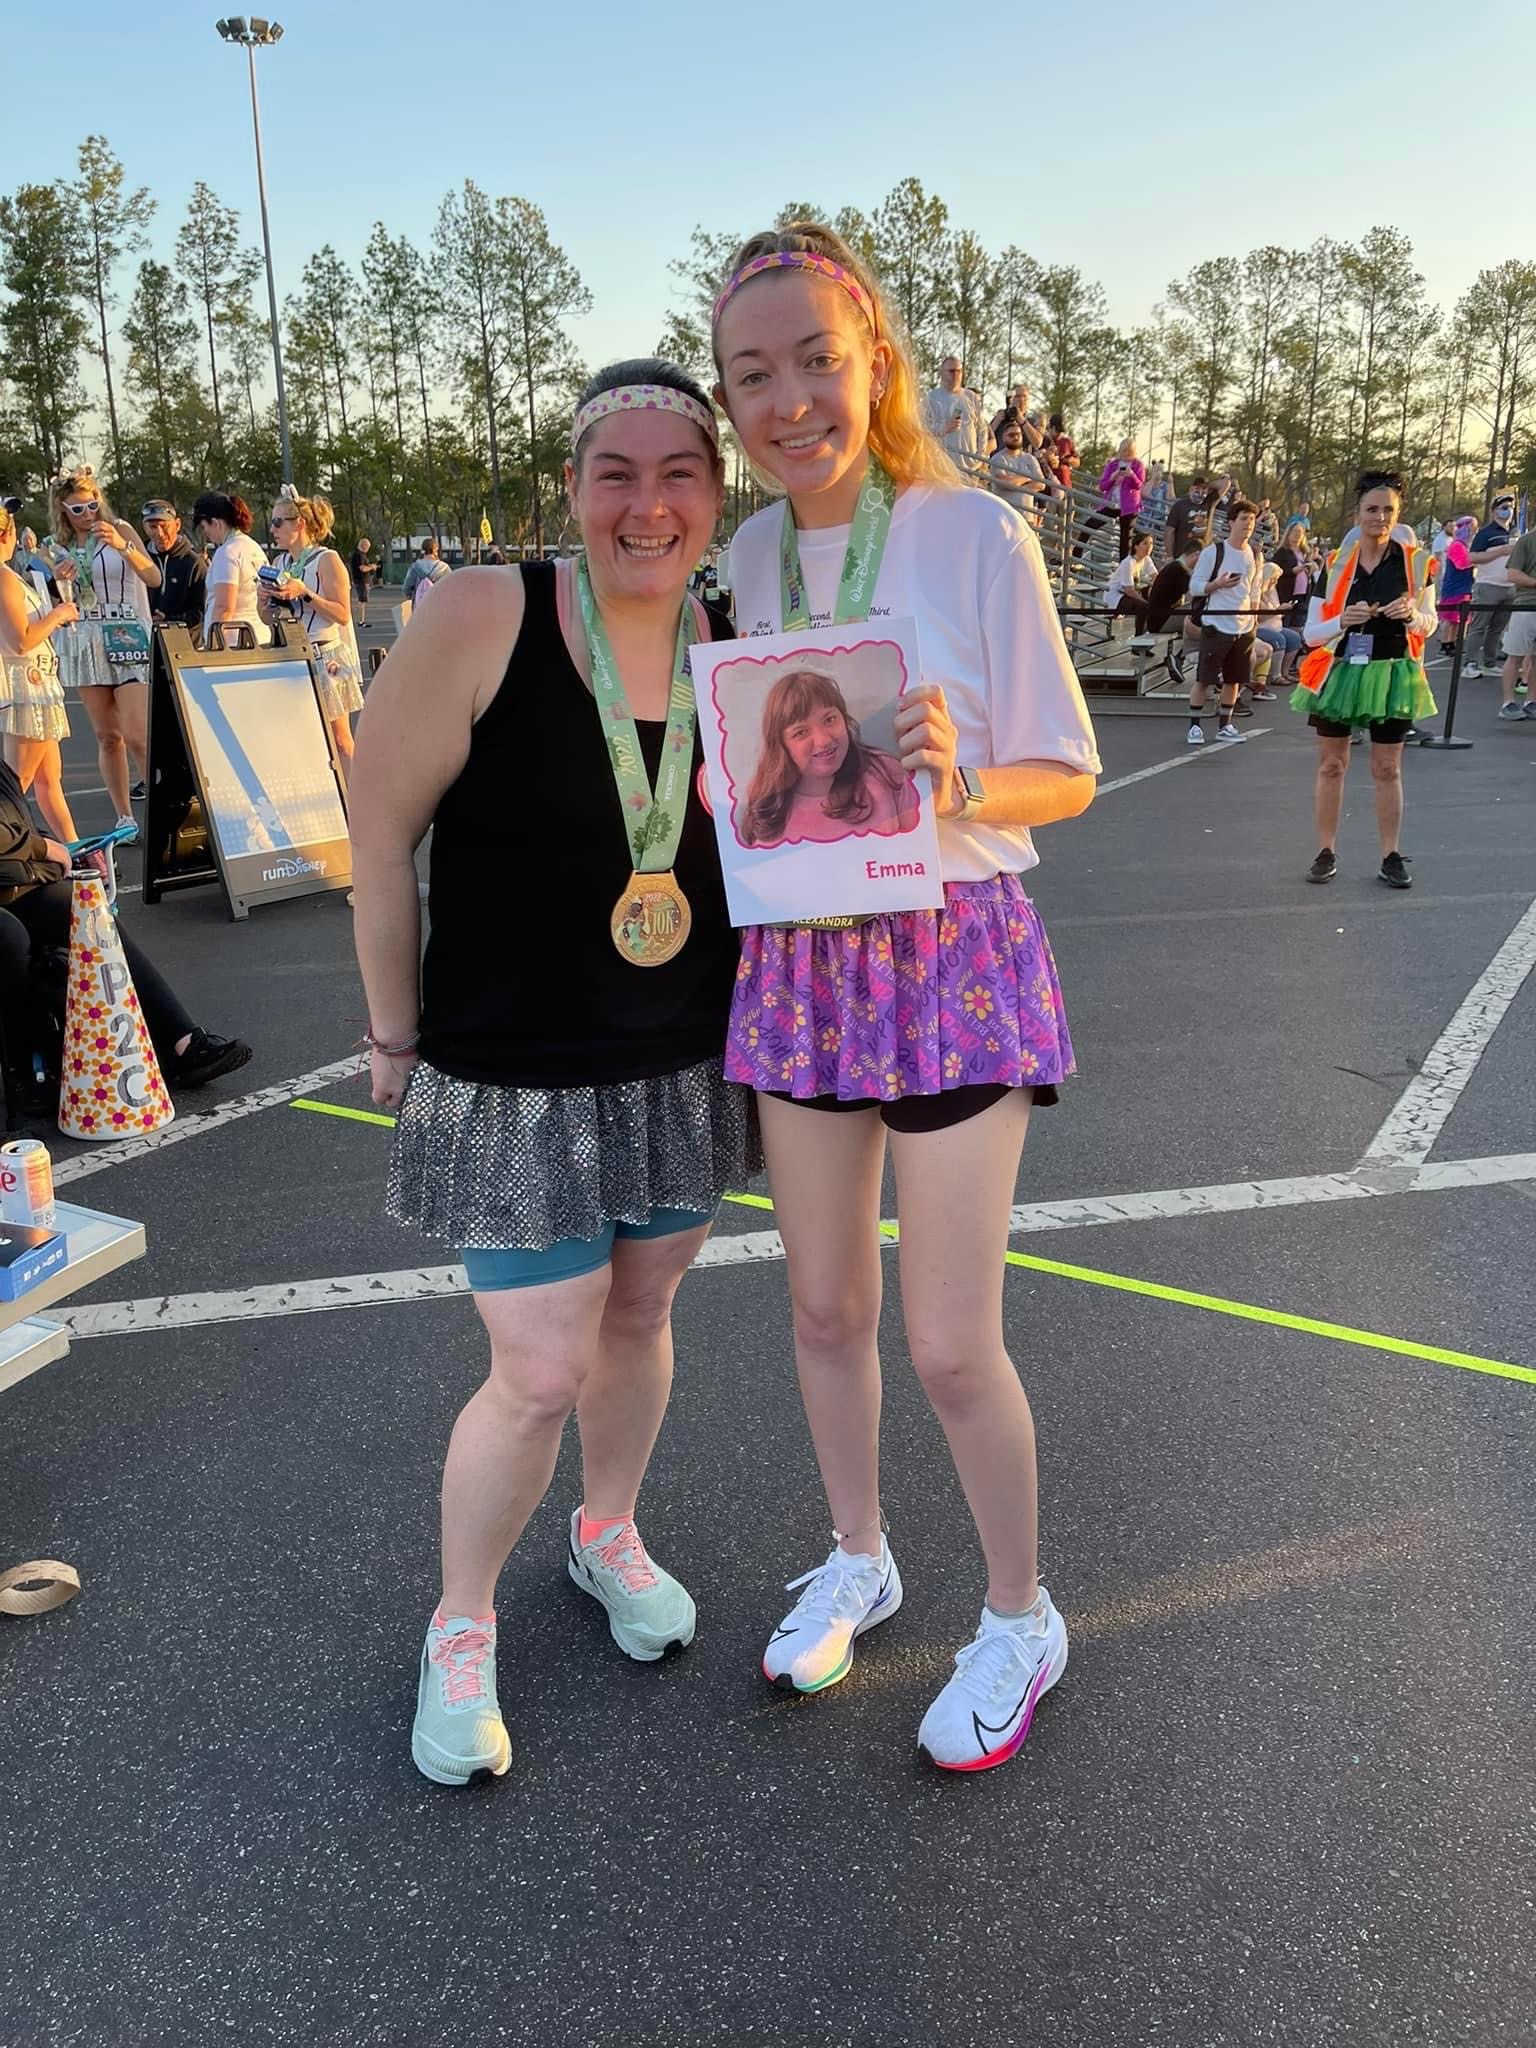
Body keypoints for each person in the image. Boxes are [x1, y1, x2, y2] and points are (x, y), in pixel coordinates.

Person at [711, 222, 1099, 1772]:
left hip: (952, 944)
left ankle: (1020, 1615)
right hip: (805, 952)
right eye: (754, 373)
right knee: (821, 1306)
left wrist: (959, 774)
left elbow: (1068, 774)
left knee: (948, 1339)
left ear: (872, 357)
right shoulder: (742, 556)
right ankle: (860, 1554)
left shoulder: (972, 532)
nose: (787, 397)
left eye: (814, 357)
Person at [349, 359, 758, 1787]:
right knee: (533, 1370)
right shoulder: (481, 611)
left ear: (717, 493)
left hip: (677, 1059)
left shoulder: (738, 637)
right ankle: (460, 1623)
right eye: (615, 475)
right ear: (572, 488)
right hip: (510, 1071)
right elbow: (377, 844)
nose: (648, 506)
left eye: (679, 474)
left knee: (640, 1321)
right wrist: (394, 1038)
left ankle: (608, 1530)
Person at [0, 752, 251, 1091]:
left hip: (16, 880)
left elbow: (16, 821)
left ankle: (178, 1042)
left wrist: (61, 849)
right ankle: (27, 1072)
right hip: (13, 883)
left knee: (84, 911)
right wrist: (45, 849)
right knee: (35, 925)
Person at [1291, 470, 1436, 888]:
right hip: (1340, 672)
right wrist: (1342, 619)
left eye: (1388, 510)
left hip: (1394, 673)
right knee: (1332, 764)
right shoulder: (1337, 565)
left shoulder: (1417, 563)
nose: (1380, 517)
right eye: (1372, 509)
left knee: (1387, 768)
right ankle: (1325, 851)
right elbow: (1311, 633)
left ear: (1398, 514)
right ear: (1357, 515)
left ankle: (1391, 855)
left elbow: (1431, 623)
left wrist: (1412, 615)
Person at [46, 463, 158, 840]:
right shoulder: (58, 546)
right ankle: (124, 817)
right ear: (62, 509)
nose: (86, 515)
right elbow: (53, 602)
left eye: (91, 505)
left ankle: (163, 809)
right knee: (108, 736)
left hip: (126, 630)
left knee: (138, 733)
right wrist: (57, 581)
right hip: (84, 635)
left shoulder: (120, 529)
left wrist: (123, 546)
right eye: (76, 509)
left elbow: (153, 577)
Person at [740, 668, 920, 846]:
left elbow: (919, 850)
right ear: (780, 744)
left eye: (829, 720)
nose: (823, 740)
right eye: (801, 732)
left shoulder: (885, 771)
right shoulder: (765, 803)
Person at [263, 488, 366, 768]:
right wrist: (266, 603)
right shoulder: (279, 562)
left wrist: (306, 593)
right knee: (302, 738)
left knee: (340, 739)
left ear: (300, 523)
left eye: (278, 522)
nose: (272, 529)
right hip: (292, 655)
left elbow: (343, 615)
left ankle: (360, 805)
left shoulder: (327, 559)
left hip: (325, 656)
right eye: (272, 522)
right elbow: (267, 621)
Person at [0, 501, 82, 846]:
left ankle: (79, 855)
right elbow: (21, 640)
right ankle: (12, 855)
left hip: (38, 686)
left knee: (49, 782)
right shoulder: (3, 577)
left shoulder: (10, 574)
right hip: (26, 688)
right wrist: (59, 615)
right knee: (16, 787)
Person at [1187, 499, 1263, 744]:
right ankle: (1195, 726)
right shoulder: (1213, 552)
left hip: (1243, 626)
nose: (1248, 525)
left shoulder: (1253, 553)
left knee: (1234, 678)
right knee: (1205, 678)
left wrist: (1254, 620)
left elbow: (1254, 589)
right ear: (1231, 522)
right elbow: (1195, 587)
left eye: (1251, 520)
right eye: (1243, 519)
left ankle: (1225, 725)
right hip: (1216, 624)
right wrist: (1217, 584)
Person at [192, 491, 267, 650]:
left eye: (205, 527)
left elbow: (224, 607)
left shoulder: (227, 553)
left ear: (216, 523)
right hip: (259, 638)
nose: (206, 533)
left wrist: (212, 646)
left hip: (233, 645)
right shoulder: (253, 547)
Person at [1463, 491, 1518, 679]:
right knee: (1479, 626)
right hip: (1488, 585)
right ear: (1494, 511)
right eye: (1504, 508)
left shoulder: (1515, 532)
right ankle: (1469, 663)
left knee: (1497, 628)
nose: (1508, 511)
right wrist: (1500, 551)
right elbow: (1472, 557)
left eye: (1510, 508)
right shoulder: (1486, 533)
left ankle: (1489, 662)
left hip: (1510, 587)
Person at [1143, 535, 1204, 682]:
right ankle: (1181, 657)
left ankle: (1180, 657)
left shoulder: (1174, 567)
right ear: (1195, 554)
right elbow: (1195, 595)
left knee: (1198, 614)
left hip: (1159, 617)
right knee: (1199, 613)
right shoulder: (1179, 571)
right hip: (1160, 621)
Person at [141, 500, 207, 631]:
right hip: (146, 643)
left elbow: (201, 612)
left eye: (164, 526)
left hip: (185, 645)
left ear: (177, 525)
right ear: (145, 528)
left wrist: (168, 620)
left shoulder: (194, 564)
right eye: (153, 527)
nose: (159, 533)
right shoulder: (139, 559)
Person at [1495, 515, 1536, 720]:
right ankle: (1508, 702)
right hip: (1527, 606)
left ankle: (1532, 701)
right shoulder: (1527, 541)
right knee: (1515, 655)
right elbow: (1513, 574)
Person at [922, 356, 988, 477]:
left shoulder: (971, 397)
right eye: (951, 371)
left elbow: (982, 430)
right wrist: (943, 428)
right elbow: (922, 430)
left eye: (959, 371)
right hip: (942, 469)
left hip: (970, 468)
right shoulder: (931, 398)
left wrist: (980, 458)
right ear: (941, 373)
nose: (956, 375)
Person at [1252, 558, 1303, 693]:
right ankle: (1276, 675)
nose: (1275, 582)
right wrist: (1279, 610)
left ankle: (1284, 672)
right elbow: (1259, 616)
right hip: (1261, 628)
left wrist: (1283, 609)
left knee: (1295, 638)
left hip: (1276, 625)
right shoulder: (1257, 593)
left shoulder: (1273, 592)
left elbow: (1276, 612)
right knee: (1279, 639)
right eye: (1273, 579)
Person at [987, 420, 1046, 525]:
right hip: (1004, 517)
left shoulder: (1030, 459)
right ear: (1004, 438)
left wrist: (1015, 484)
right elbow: (1005, 483)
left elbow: (1041, 484)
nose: (1016, 437)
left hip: (1027, 517)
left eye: (1018, 434)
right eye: (1011, 435)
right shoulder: (998, 459)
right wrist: (1027, 478)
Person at [1095, 439, 1146, 559]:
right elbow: (1103, 486)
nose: (1127, 453)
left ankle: (1123, 568)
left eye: (1129, 450)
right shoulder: (1112, 464)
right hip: (1111, 503)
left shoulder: (1138, 465)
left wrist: (1132, 475)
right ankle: (1077, 554)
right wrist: (1113, 477)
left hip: (1129, 507)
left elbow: (1139, 485)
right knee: (1091, 523)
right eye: (1124, 450)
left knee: (1125, 539)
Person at [1435, 517, 1477, 660]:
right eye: (1472, 527)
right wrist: (1478, 560)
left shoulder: (1464, 546)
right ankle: (1446, 644)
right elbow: (1461, 564)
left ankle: (1453, 644)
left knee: (1458, 619)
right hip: (1454, 587)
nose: (1474, 531)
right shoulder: (1457, 545)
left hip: (1464, 586)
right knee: (1451, 618)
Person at [1104, 531, 1156, 623]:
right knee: (1143, 606)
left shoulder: (1146, 559)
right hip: (1116, 596)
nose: (1149, 547)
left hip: (1128, 593)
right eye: (1145, 543)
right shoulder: (1128, 563)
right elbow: (1129, 590)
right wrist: (1146, 602)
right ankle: (1139, 633)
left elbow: (1156, 577)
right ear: (1136, 546)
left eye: (1151, 543)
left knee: (1154, 595)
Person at [1164, 477, 1211, 562]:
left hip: (1201, 555)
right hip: (1182, 554)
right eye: (1197, 488)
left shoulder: (1208, 504)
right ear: (1191, 488)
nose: (1200, 492)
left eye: (1204, 489)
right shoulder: (1180, 505)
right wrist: (1169, 556)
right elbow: (1169, 531)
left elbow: (1225, 484)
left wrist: (1209, 485)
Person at [989, 383, 1043, 453]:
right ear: (1010, 399)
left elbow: (1037, 443)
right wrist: (996, 421)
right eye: (1018, 396)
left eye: (1024, 396)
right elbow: (984, 439)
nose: (1021, 399)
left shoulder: (1031, 421)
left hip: (1021, 461)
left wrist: (1022, 420)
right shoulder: (1001, 418)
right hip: (999, 460)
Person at [402, 538, 451, 604]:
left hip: (420, 606)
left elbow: (406, 589)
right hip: (439, 605)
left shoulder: (414, 567)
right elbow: (451, 587)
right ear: (436, 550)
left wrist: (414, 597)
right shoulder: (444, 567)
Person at [349, 535, 378, 617]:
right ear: (364, 546)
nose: (368, 549)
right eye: (368, 547)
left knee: (362, 600)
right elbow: (362, 568)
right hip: (361, 580)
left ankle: (361, 619)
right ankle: (360, 620)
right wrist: (371, 567)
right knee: (362, 601)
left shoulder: (360, 555)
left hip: (362, 581)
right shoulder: (359, 555)